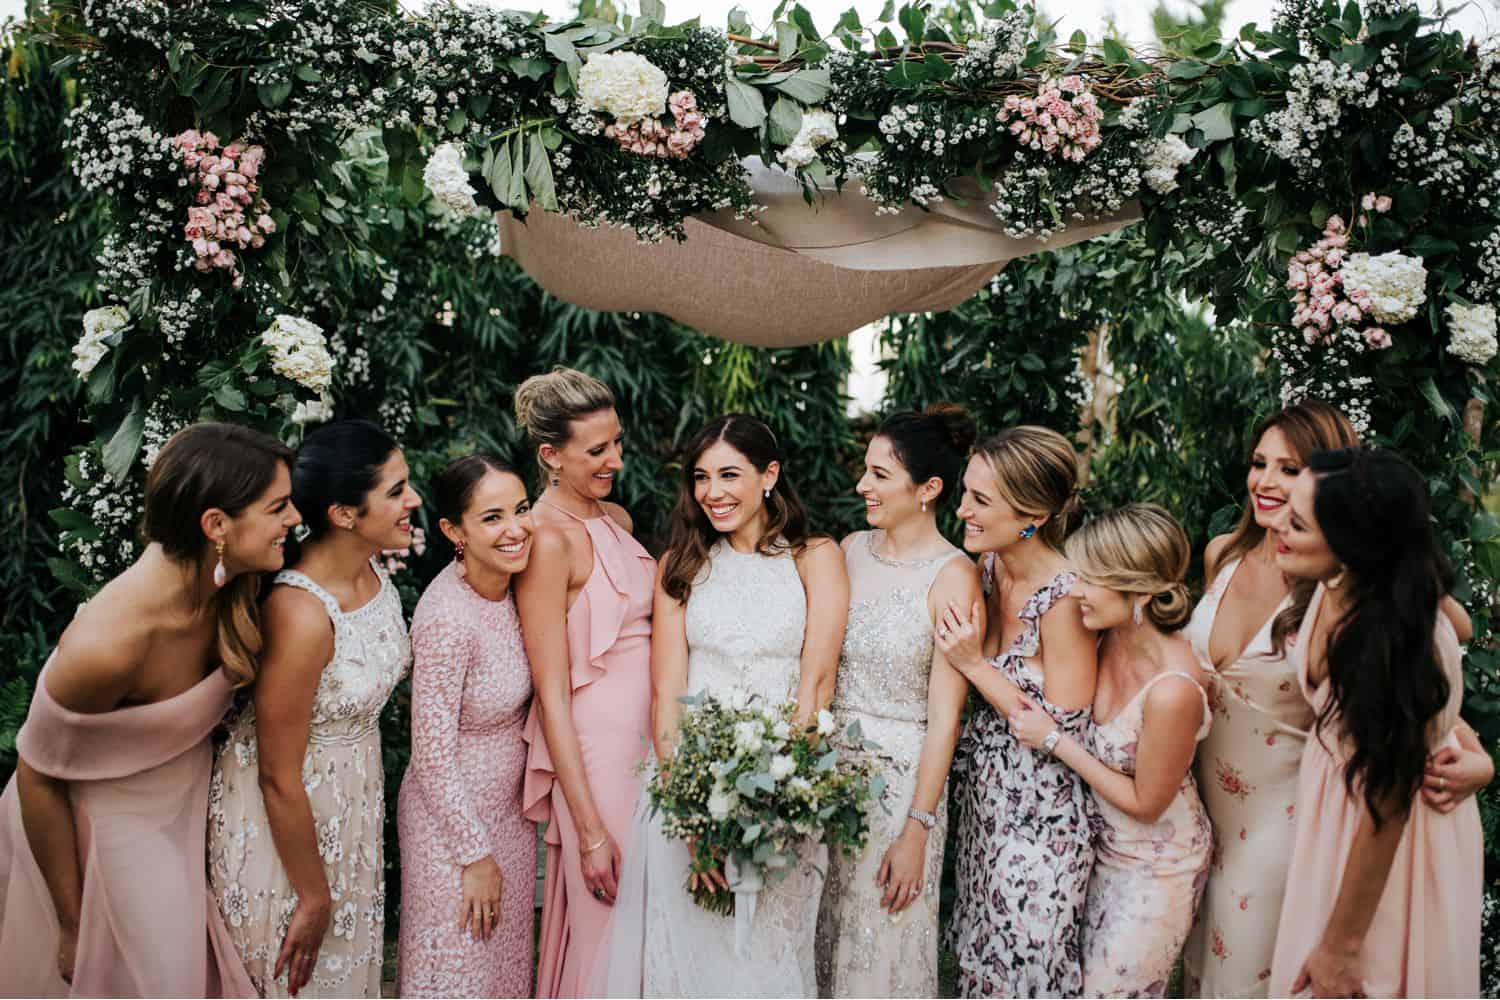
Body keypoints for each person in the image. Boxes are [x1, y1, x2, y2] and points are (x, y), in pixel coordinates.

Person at [1183, 401, 1492, 997]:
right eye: (1260, 464)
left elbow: (1398, 774)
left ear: (1350, 531)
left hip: (1336, 822)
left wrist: (1342, 945)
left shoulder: (1382, 620)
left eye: (1291, 475)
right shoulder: (1328, 583)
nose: (1276, 513)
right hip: (1251, 819)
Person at [0, 423, 296, 996]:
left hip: (180, 816)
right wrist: (70, 921)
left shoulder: (229, 585)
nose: (293, 518)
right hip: (106, 835)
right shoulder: (108, 646)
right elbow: (36, 775)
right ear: (216, 526)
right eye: (278, 507)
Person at [600, 414, 849, 997]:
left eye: (729, 475)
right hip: (689, 798)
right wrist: (691, 820)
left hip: (787, 800)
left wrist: (782, 806)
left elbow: (817, 686)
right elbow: (666, 698)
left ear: (770, 475)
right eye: (701, 477)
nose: (712, 493)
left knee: (768, 964)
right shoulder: (680, 568)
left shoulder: (815, 558)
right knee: (693, 964)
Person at [209, 419, 417, 998]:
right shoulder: (299, 613)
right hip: (286, 824)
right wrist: (313, 893)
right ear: (344, 514)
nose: (413, 501)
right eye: (396, 490)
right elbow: (277, 773)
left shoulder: (376, 575)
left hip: (353, 810)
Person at [1268, 447, 1483, 997]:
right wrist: (1476, 754)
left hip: (1385, 838)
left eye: (1297, 522)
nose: (1277, 525)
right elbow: (1436, 711)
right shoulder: (1345, 584)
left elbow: (1387, 805)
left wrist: (1341, 946)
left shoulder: (1386, 639)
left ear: (1353, 546)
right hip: (1336, 810)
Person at [1009, 503, 1212, 997]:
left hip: (1158, 867)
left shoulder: (1172, 690)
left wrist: (1054, 741)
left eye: (1092, 580)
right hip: (1100, 852)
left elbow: (1148, 802)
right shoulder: (1108, 639)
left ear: (1140, 590)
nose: (1076, 591)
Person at [815, 404, 980, 998]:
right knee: (824, 932)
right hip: (828, 776)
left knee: (880, 942)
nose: (862, 485)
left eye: (880, 475)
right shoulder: (851, 549)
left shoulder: (954, 576)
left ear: (929, 488)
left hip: (901, 785)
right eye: (866, 470)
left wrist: (918, 828)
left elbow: (945, 718)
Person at [934, 425, 1099, 998]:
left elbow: (1064, 724)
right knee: (981, 963)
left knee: (1028, 963)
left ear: (1031, 513)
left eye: (980, 501)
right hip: (984, 804)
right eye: (966, 493)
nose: (962, 511)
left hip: (1043, 815)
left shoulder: (1066, 598)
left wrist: (976, 666)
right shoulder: (986, 569)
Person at [513, 367, 656, 998]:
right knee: (608, 923)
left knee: (651, 928)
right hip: (596, 760)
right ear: (550, 455)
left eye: (616, 443)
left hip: (650, 748)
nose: (615, 460)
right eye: (597, 450)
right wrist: (589, 828)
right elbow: (550, 695)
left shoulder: (617, 520)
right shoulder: (545, 541)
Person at [396, 454, 536, 997]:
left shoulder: (511, 589)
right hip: (452, 826)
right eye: (493, 517)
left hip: (509, 817)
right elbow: (430, 752)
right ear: (454, 530)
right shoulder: (446, 618)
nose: (515, 528)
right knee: (458, 972)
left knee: (501, 972)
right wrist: (474, 855)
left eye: (521, 510)